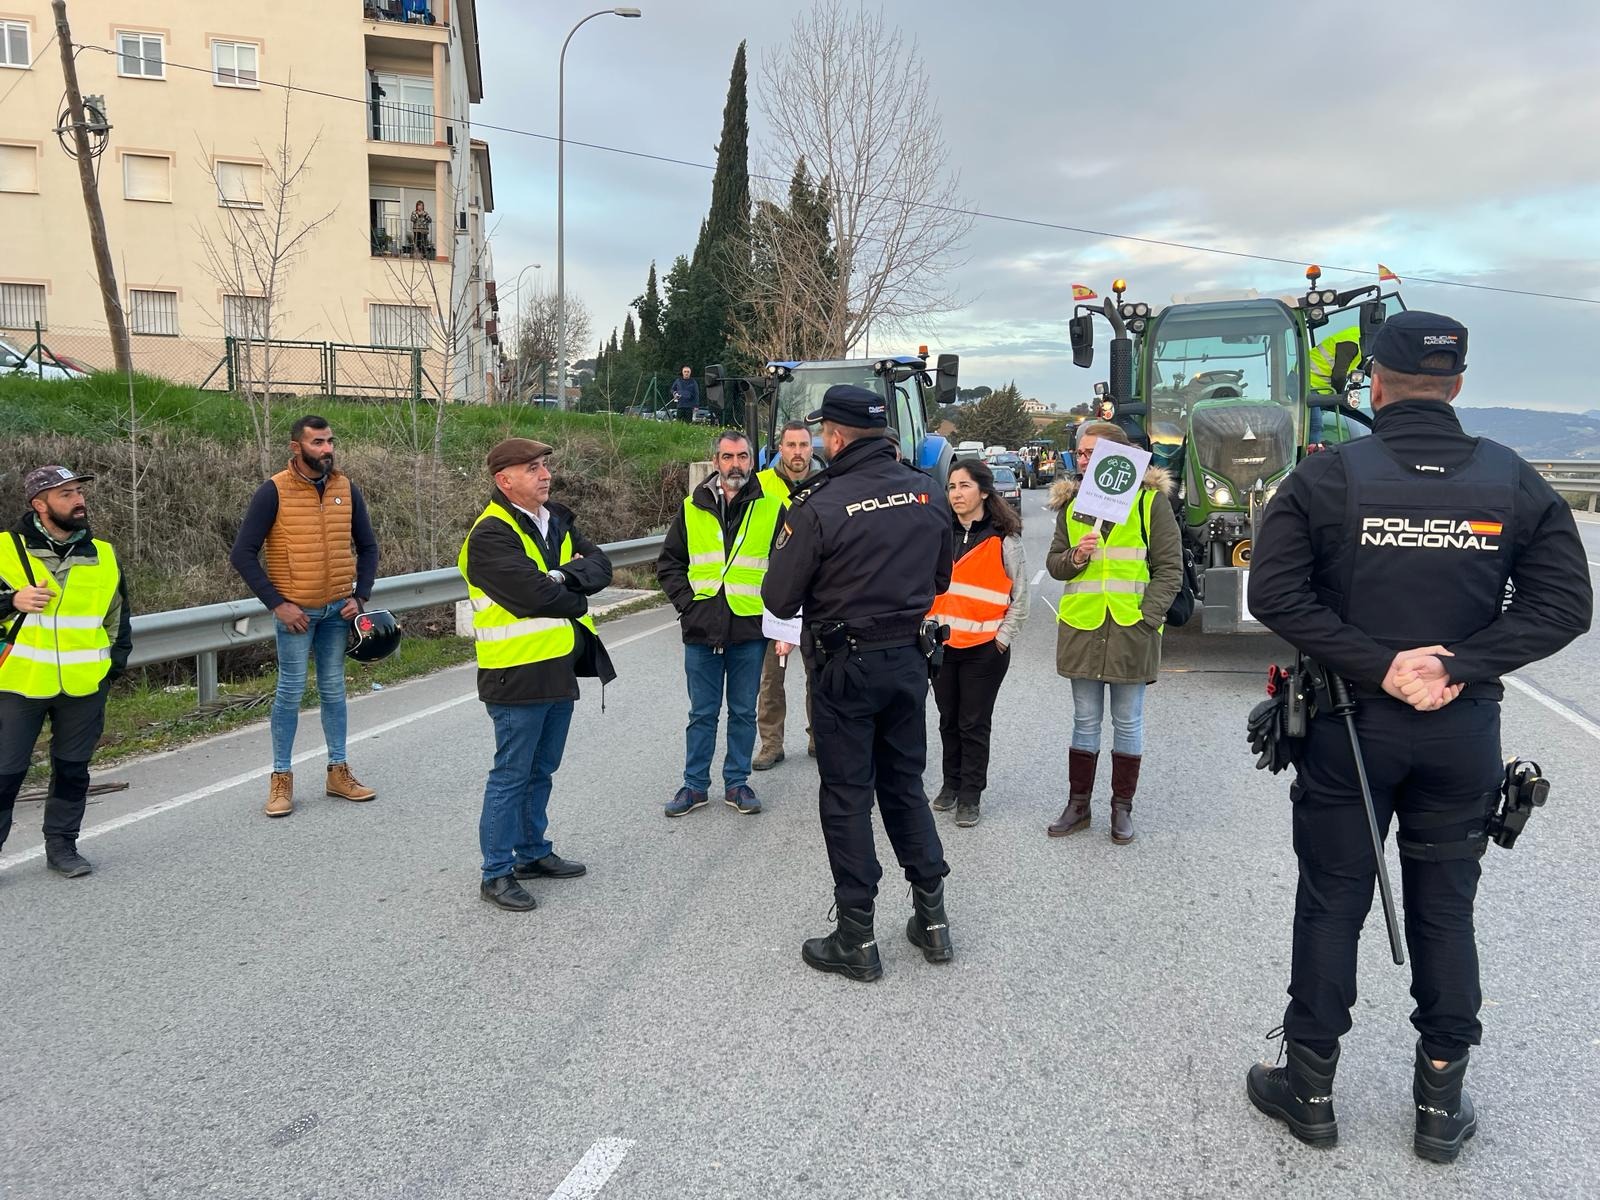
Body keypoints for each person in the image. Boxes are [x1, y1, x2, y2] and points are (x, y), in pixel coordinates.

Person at [1242, 311, 1591, 1160]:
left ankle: (1312, 1089)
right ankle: (1441, 1102)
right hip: (1461, 732)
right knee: (1446, 909)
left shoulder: (1326, 479)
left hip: (1349, 729)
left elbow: (1275, 596)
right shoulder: (1513, 479)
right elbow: (1565, 607)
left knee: (1332, 898)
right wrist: (1460, 664)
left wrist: (1380, 664)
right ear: (1459, 384)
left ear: (1377, 385)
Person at [763, 385, 955, 982]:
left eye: (823, 432)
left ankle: (856, 936)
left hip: (847, 665)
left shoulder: (818, 502)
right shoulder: (927, 489)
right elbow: (942, 573)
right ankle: (933, 919)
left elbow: (778, 595)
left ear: (837, 436)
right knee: (903, 785)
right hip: (908, 661)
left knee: (847, 795)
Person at [458, 438, 615, 911]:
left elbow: (602, 566)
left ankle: (532, 852)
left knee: (541, 769)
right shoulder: (491, 533)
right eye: (532, 468)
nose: (544, 474)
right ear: (504, 480)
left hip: (556, 668)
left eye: (545, 465)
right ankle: (496, 872)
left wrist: (562, 577)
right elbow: (532, 596)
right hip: (514, 674)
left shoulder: (557, 520)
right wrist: (574, 591)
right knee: (511, 774)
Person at [230, 415, 380, 819]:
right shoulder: (273, 491)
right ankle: (281, 779)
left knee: (334, 690)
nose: (327, 450)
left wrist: (360, 596)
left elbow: (368, 547)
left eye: (330, 441)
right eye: (317, 443)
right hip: (295, 613)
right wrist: (278, 604)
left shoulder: (345, 488)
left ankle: (338, 771)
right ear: (296, 447)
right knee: (290, 693)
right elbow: (242, 553)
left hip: (336, 611)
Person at [1044, 421, 1182, 845]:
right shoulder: (1072, 506)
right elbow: (1054, 565)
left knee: (1128, 721)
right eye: (1080, 454)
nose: (1082, 460)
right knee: (1084, 720)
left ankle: (1122, 808)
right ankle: (1078, 805)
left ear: (1117, 457)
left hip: (1130, 628)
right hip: (1083, 625)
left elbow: (1169, 569)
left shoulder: (1148, 503)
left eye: (1090, 453)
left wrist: (1148, 618)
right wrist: (1076, 556)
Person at [0, 467, 131, 877]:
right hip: (17, 684)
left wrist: (110, 669)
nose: (78, 500)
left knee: (73, 770)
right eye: (65, 494)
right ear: (39, 505)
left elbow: (118, 619)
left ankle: (62, 846)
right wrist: (9, 601)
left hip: (84, 684)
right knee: (6, 773)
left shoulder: (103, 554)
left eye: (78, 491)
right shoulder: (4, 550)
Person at [656, 430, 781, 818]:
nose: (735, 465)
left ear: (752, 462)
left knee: (743, 711)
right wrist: (687, 605)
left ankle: (737, 783)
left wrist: (779, 619)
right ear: (716, 462)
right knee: (702, 714)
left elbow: (788, 567)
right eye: (728, 457)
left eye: (742, 457)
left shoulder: (773, 507)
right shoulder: (692, 507)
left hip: (748, 627)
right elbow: (669, 563)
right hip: (701, 628)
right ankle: (694, 787)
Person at [927, 459, 1028, 828]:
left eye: (964, 486)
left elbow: (1021, 598)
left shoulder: (1004, 539)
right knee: (947, 720)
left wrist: (1001, 641)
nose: (956, 493)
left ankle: (970, 795)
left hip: (985, 650)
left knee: (973, 723)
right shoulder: (938, 533)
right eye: (952, 486)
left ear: (983, 491)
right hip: (943, 647)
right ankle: (950, 784)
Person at [753, 421, 817, 771]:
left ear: (811, 448)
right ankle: (771, 743)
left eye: (803, 445)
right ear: (780, 447)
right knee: (772, 674)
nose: (797, 452)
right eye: (790, 445)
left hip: (817, 593)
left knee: (817, 672)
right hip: (776, 594)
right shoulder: (761, 485)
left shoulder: (827, 483)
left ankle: (818, 737)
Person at [1306, 325, 1364, 449]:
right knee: (1315, 425)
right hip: (1305, 382)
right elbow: (1338, 376)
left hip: (1317, 387)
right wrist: (1339, 397)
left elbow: (1365, 365)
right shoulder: (1350, 344)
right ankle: (1310, 460)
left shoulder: (1359, 342)